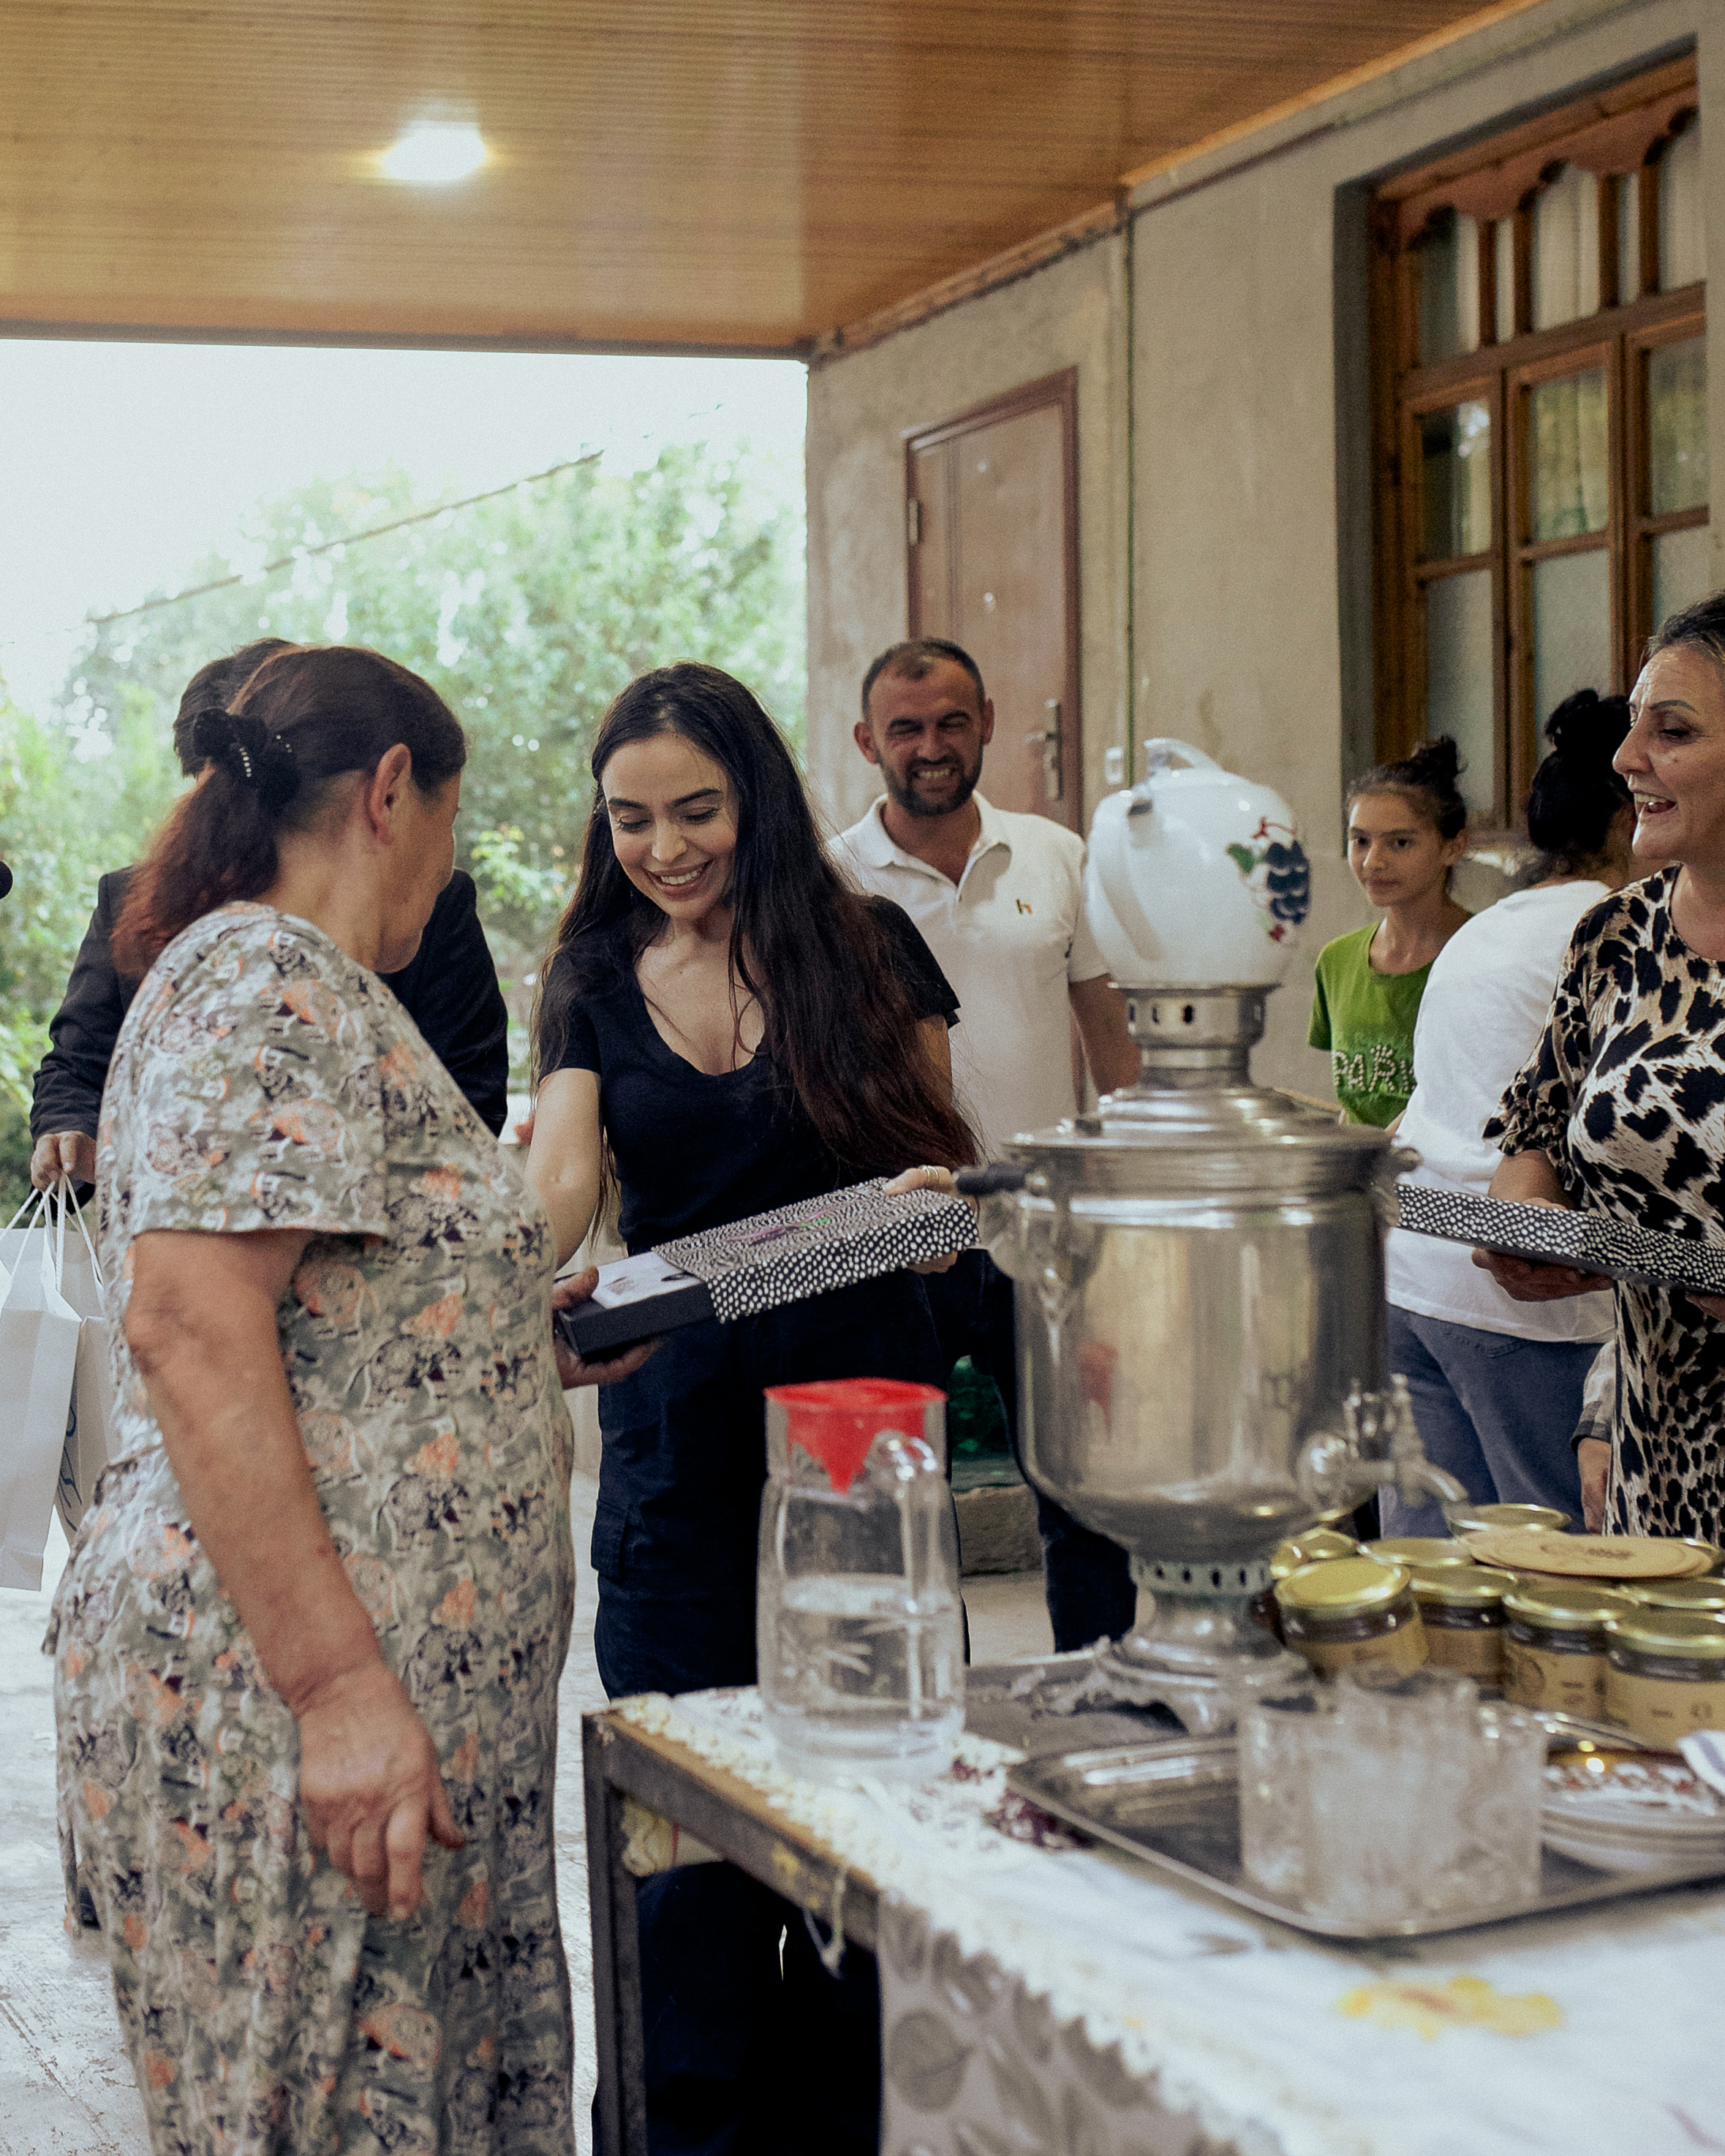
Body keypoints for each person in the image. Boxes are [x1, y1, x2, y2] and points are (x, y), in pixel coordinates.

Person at [49, 645, 644, 2156]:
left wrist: (502, 1335)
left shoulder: (285, 983)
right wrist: (338, 1692)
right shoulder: (267, 979)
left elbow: (331, 1304)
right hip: (300, 1703)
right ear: (392, 792)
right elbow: (190, 1321)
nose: (447, 872)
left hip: (393, 1708)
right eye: (449, 822)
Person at [526, 659, 974, 2155]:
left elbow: (941, 1167)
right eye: (633, 818)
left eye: (697, 810)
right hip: (679, 1451)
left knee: (871, 1828)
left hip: (861, 1431)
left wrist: (936, 1198)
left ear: (758, 798)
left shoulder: (873, 946)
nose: (665, 847)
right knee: (684, 1848)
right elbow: (562, 1193)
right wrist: (503, 1267)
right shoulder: (590, 978)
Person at [834, 637, 1139, 1651]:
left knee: (1084, 1495)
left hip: (1047, 1233)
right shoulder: (831, 880)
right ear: (865, 738)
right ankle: (919, 1721)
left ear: (988, 723)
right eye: (906, 727)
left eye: (950, 722)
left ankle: (1101, 1691)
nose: (930, 746)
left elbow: (1109, 1041)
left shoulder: (1056, 855)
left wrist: (1129, 1203)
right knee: (898, 1514)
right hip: (897, 1238)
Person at [29, 640, 510, 1189]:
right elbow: (81, 1064)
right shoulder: (247, 970)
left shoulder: (412, 916)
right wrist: (74, 1132)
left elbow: (470, 1095)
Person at [1481, 593, 1725, 1546]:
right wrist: (1528, 1224)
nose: (1627, 762)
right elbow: (1532, 1140)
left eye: (1670, 732)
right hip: (1649, 1466)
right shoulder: (1614, 933)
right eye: (1632, 728)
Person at [1381, 692, 1636, 1535]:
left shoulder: (1490, 925)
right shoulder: (1620, 930)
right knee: (1553, 1570)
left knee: (1434, 1579)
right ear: (1631, 814)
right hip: (1519, 1292)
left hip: (1417, 1273)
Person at [1310, 738, 1471, 1126]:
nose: (1373, 861)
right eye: (1360, 840)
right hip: (1364, 1178)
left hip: (1447, 1182)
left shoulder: (1480, 955)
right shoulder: (1337, 961)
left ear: (1453, 847)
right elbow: (1354, 1108)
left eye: (1400, 843)